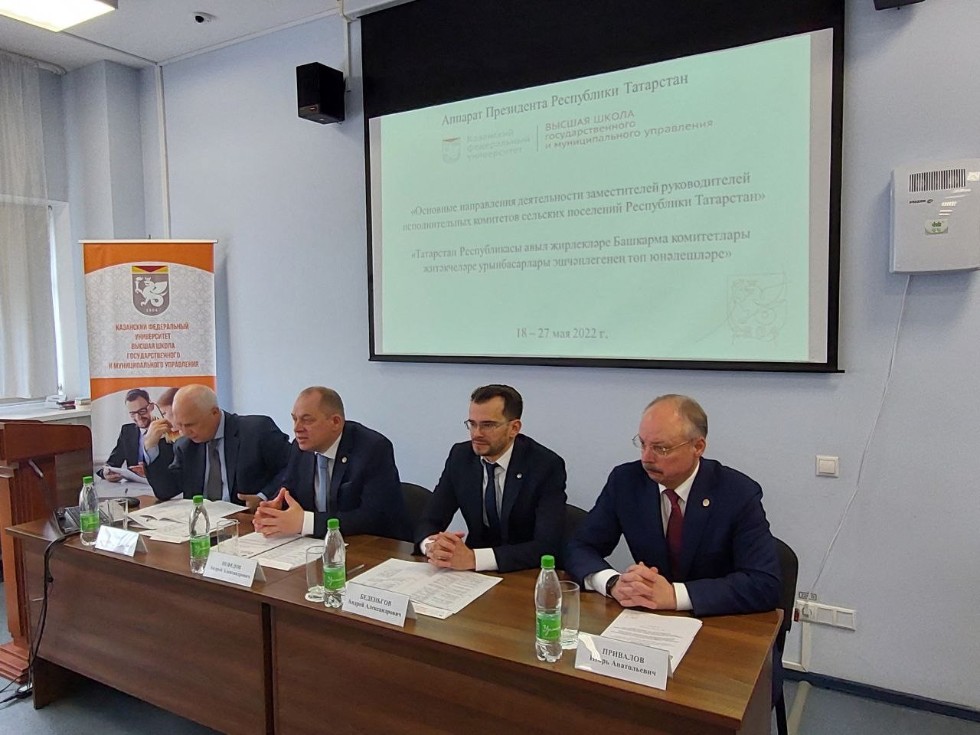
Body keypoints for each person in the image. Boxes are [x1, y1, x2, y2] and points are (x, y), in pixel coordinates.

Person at [565, 394, 780, 617]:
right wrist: (612, 582)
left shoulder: (737, 493)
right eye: (643, 444)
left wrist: (675, 595)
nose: (646, 458)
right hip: (648, 620)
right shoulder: (626, 482)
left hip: (719, 621)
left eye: (661, 449)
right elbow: (579, 547)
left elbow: (764, 583)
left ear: (698, 447)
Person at [416, 384, 567, 573]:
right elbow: (430, 519)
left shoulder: (545, 466)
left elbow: (546, 546)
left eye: (487, 425)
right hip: (469, 575)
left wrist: (475, 559)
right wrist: (432, 546)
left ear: (514, 428)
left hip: (523, 573)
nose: (476, 434)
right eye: (472, 424)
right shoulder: (461, 457)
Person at [252, 386, 410, 540]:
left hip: (372, 546)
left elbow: (373, 518)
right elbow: (289, 492)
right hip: (315, 545)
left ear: (335, 422)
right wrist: (275, 511)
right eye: (294, 419)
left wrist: (306, 523)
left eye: (307, 420)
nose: (297, 428)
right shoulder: (300, 448)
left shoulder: (373, 449)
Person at [144, 384, 291, 505]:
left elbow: (291, 468)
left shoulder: (256, 430)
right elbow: (166, 491)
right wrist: (151, 447)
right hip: (203, 521)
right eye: (180, 425)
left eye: (190, 425)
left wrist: (263, 496)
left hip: (247, 519)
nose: (185, 432)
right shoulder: (185, 445)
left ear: (214, 412)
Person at [100, 388, 174, 484]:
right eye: (133, 414)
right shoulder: (127, 431)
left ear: (151, 407)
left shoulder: (165, 429)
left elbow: (175, 467)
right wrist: (105, 472)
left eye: (142, 411)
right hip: (134, 486)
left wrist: (149, 471)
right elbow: (112, 462)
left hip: (162, 485)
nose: (138, 417)